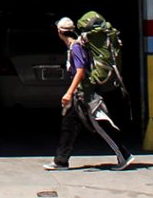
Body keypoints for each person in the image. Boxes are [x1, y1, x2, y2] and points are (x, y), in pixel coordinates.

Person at [43, 17, 133, 171]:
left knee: (101, 126)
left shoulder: (76, 47)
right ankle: (61, 161)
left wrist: (68, 93)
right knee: (69, 126)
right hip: (79, 95)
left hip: (86, 95)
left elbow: (80, 71)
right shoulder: (76, 45)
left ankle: (124, 155)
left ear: (60, 32)